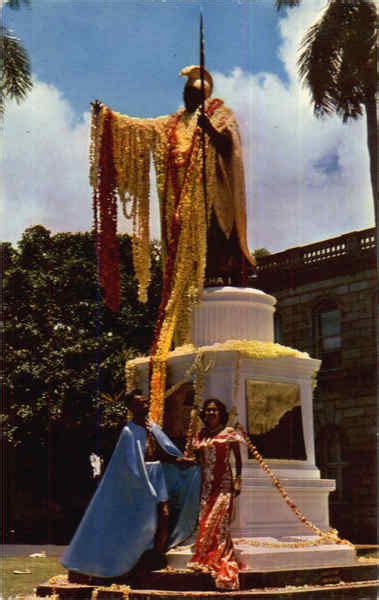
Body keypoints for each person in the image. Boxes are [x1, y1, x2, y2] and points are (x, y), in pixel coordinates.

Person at [61, 389, 200, 578]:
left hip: (157, 472)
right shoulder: (128, 431)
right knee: (145, 518)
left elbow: (162, 451)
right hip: (141, 479)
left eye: (145, 402)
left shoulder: (152, 426)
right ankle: (139, 557)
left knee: (164, 514)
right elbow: (132, 463)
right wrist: (146, 486)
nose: (145, 405)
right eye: (140, 403)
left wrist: (180, 461)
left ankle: (157, 554)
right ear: (131, 407)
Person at [188, 398, 245, 590]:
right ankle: (204, 555)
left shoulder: (229, 433)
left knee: (219, 521)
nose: (211, 413)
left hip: (223, 483)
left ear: (221, 413)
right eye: (208, 410)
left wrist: (238, 479)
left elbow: (238, 459)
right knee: (205, 519)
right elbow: (196, 459)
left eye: (215, 410)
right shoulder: (201, 434)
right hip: (206, 484)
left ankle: (218, 557)